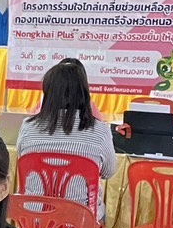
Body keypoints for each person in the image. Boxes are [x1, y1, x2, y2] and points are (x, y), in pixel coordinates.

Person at [15, 57, 117, 218]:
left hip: (34, 210)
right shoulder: (100, 130)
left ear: (48, 92)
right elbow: (108, 172)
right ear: (84, 92)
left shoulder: (28, 126)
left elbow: (23, 159)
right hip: (79, 214)